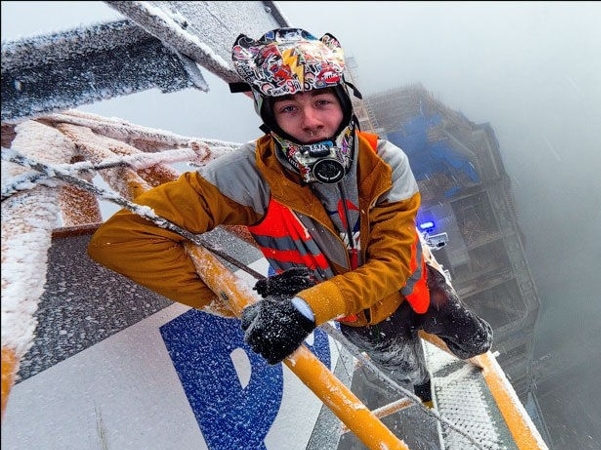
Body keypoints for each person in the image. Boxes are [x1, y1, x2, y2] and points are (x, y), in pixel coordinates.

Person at [87, 27, 493, 405]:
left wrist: (303, 310)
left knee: (474, 340)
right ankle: (424, 394)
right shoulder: (247, 175)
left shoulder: (384, 163)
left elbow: (390, 265)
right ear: (270, 117)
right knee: (414, 382)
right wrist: (247, 308)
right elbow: (121, 241)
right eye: (289, 108)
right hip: (357, 317)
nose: (311, 120)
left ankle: (462, 335)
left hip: (416, 285)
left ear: (343, 104)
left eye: (322, 102)